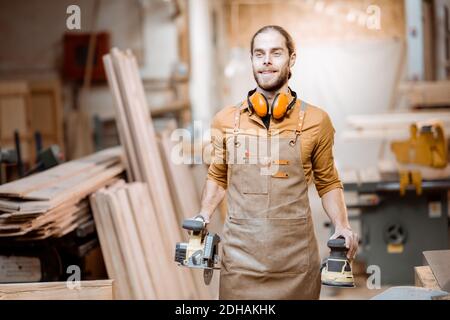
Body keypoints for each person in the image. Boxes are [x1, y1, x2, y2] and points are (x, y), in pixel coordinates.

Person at [194, 25, 358, 299]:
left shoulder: (317, 121)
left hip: (295, 262)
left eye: (275, 53)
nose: (266, 61)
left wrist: (343, 226)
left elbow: (328, 182)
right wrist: (203, 214)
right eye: (259, 54)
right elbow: (218, 176)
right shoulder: (225, 120)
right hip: (239, 263)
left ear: (292, 58)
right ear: (252, 61)